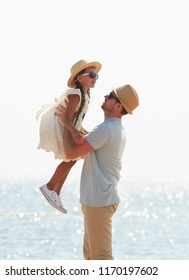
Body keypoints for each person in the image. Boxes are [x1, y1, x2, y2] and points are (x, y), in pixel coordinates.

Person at [56, 84, 139, 260]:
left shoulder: (107, 129)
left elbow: (70, 153)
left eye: (110, 96)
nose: (104, 97)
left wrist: (66, 120)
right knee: (91, 257)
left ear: (118, 106)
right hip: (97, 201)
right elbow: (84, 146)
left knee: (101, 258)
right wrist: (72, 125)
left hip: (99, 202)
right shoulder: (110, 128)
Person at [36, 59, 102, 214]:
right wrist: (74, 132)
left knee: (71, 160)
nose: (95, 78)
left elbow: (76, 118)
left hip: (71, 129)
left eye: (96, 76)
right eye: (92, 75)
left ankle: (56, 192)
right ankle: (50, 186)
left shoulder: (84, 94)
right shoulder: (75, 95)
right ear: (80, 78)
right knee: (70, 158)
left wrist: (82, 130)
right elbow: (66, 118)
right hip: (66, 129)